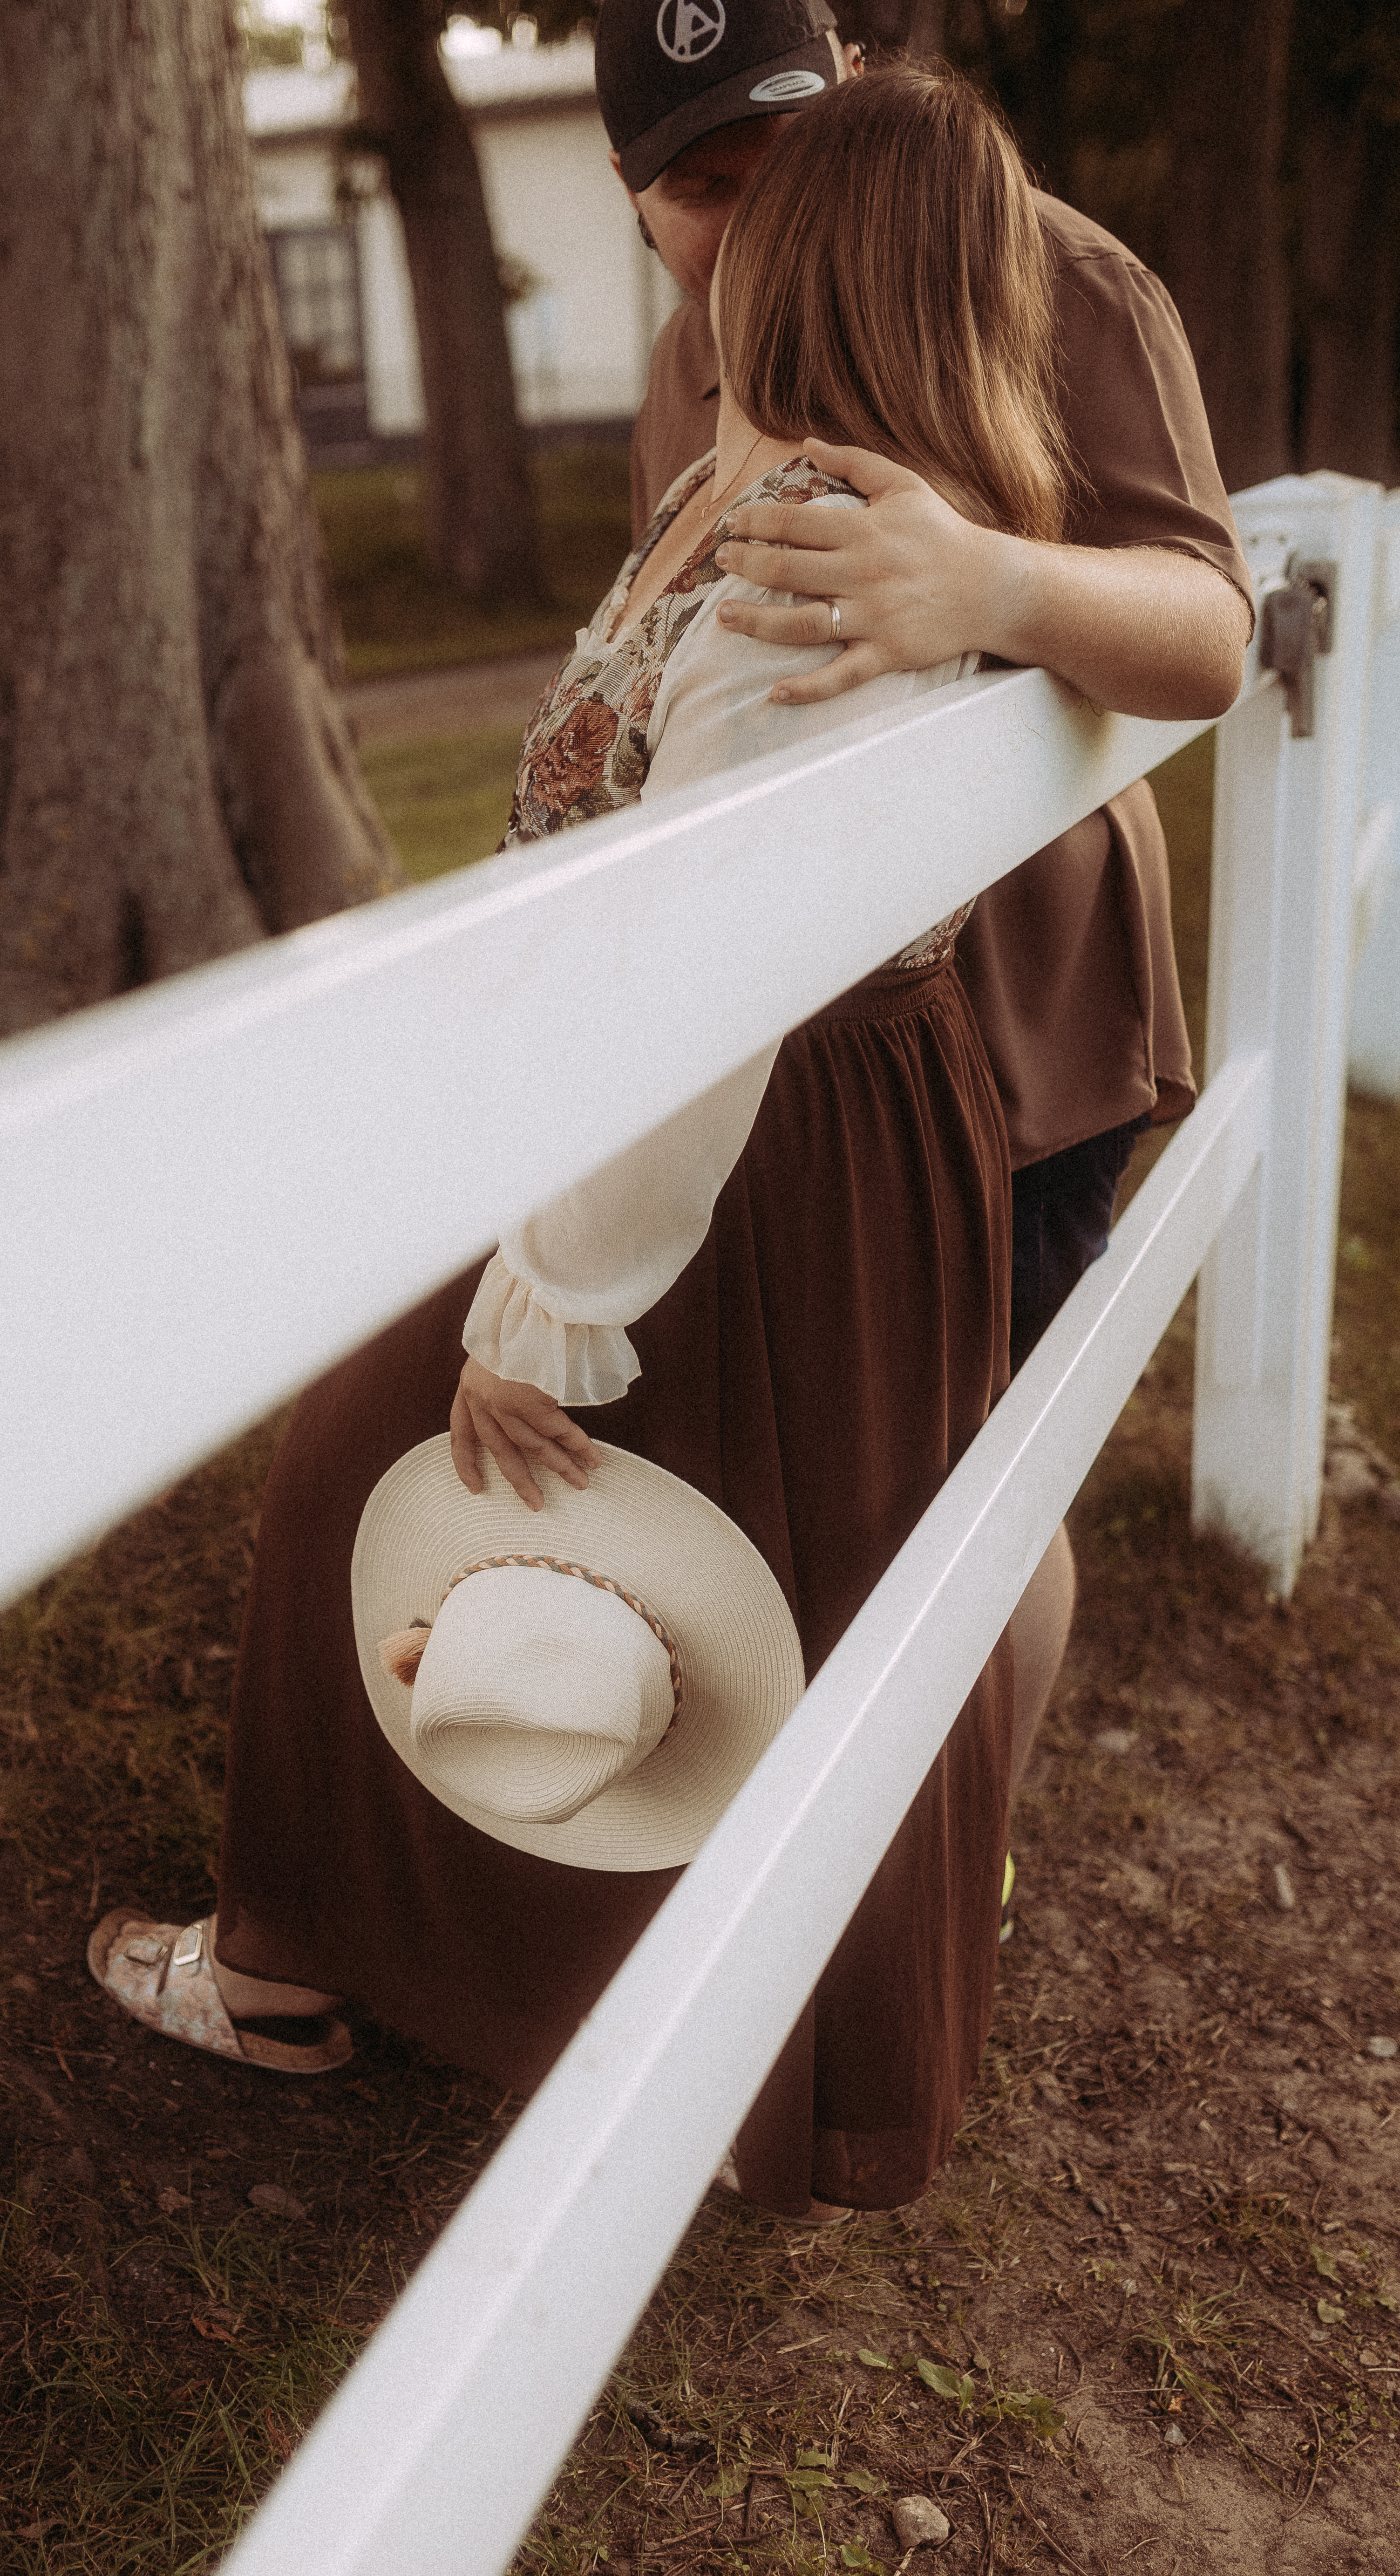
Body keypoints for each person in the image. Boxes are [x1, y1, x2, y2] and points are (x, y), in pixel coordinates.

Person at [87, 67, 1069, 2225]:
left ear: (819, 265)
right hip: (830, 1114)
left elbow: (707, 973)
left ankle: (298, 1968)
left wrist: (546, 1300)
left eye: (760, 206)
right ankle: (710, 2052)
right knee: (789, 1560)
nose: (716, 241)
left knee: (381, 1476)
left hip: (724, 1130)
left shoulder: (816, 552)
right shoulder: (894, 499)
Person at [596, 0, 1254, 1793]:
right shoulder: (687, 354)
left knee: (978, 1483)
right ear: (632, 194)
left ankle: (965, 1873)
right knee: (808, 1481)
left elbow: (1211, 629)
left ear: (850, 88)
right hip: (787, 1060)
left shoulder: (1066, 277)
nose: (757, 219)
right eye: (703, 189)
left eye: (787, 154)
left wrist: (989, 586)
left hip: (1019, 1026)